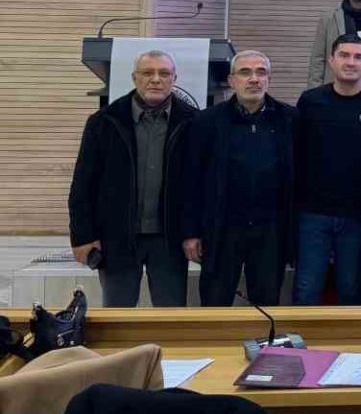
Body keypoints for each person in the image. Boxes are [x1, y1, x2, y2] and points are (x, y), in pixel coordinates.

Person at [69, 50, 196, 307]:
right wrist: (82, 236)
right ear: (134, 77)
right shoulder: (104, 122)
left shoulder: (194, 122)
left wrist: (195, 233)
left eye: (164, 73)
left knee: (171, 315)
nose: (156, 79)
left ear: (174, 79)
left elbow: (201, 186)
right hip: (117, 238)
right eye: (147, 73)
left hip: (169, 241)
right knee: (117, 314)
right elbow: (83, 184)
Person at [182, 50, 297, 307]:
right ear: (232, 81)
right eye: (245, 72)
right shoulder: (206, 121)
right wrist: (191, 233)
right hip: (221, 230)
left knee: (266, 304)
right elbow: (191, 180)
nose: (254, 79)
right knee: (215, 303)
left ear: (269, 80)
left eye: (261, 72)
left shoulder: (290, 119)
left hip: (271, 230)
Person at [293, 35, 361, 306]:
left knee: (352, 290)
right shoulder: (310, 101)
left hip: (358, 215)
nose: (351, 62)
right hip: (313, 213)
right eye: (344, 55)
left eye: (358, 57)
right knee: (306, 289)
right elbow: (297, 153)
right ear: (331, 60)